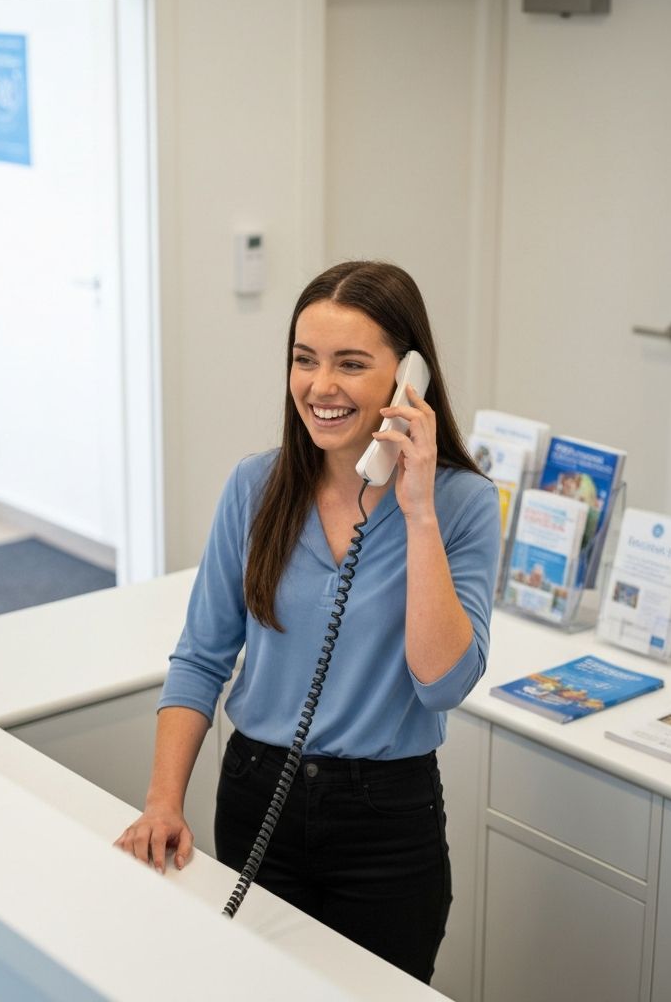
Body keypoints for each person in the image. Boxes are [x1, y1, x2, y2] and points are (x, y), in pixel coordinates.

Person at [115, 261, 501, 982]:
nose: (320, 386)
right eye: (304, 359)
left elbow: (443, 682)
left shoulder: (463, 505)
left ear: (408, 377)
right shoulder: (254, 486)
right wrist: (162, 803)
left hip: (387, 819)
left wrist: (418, 510)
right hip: (257, 792)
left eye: (350, 364)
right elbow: (201, 657)